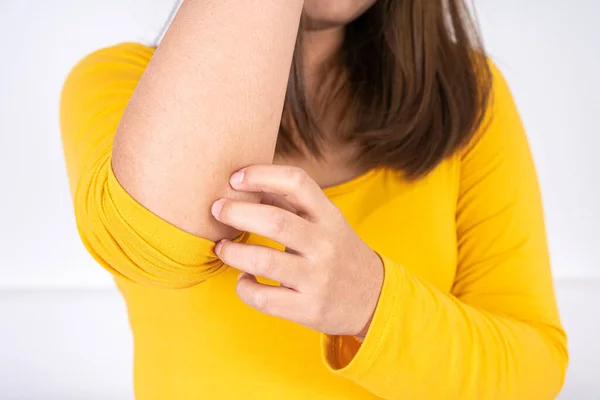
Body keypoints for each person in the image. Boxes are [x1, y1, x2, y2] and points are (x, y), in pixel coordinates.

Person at [59, 0, 568, 398]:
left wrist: (369, 304)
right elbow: (149, 240)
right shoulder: (117, 83)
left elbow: (533, 368)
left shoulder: (465, 96)